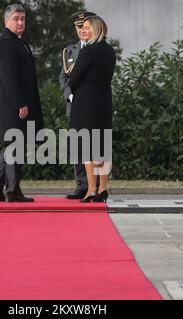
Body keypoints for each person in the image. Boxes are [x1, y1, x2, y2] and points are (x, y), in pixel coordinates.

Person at [0, 4, 44, 202]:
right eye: (16, 19)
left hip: (18, 104)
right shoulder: (6, 42)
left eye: (22, 19)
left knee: (11, 145)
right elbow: (8, 77)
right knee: (15, 146)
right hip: (13, 105)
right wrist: (21, 103)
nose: (20, 22)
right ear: (6, 21)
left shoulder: (18, 41)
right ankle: (12, 190)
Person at [67, 15, 116, 203]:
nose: (84, 31)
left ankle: (91, 190)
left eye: (87, 27)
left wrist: (72, 85)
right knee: (102, 146)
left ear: (96, 29)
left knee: (86, 146)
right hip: (104, 101)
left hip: (85, 103)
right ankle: (103, 188)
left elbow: (74, 78)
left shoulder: (88, 51)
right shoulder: (110, 50)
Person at [59, 11, 98, 200]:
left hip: (94, 104)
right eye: (78, 27)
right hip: (75, 104)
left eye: (85, 26)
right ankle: (82, 186)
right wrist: (70, 95)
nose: (82, 30)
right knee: (78, 146)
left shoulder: (99, 49)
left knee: (97, 144)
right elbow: (63, 77)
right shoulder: (70, 51)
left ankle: (97, 186)